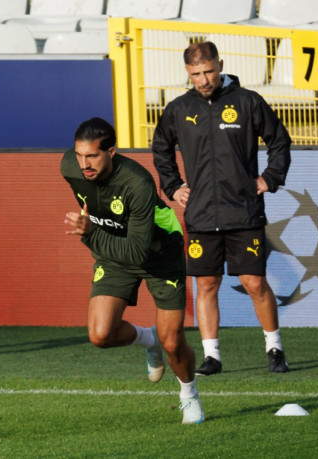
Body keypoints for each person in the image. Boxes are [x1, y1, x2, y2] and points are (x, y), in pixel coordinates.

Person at [152, 41, 292, 376]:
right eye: (196, 74)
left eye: (209, 71)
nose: (203, 80)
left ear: (221, 65)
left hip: (243, 212)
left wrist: (269, 178)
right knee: (206, 285)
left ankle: (275, 348)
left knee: (254, 282)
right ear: (188, 73)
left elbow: (279, 140)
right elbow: (160, 148)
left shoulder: (247, 102)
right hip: (201, 215)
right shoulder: (178, 108)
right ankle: (212, 356)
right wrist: (172, 186)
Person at [62, 117, 204, 424]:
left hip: (159, 251)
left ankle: (189, 395)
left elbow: (137, 251)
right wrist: (96, 232)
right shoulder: (69, 167)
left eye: (92, 156)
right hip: (113, 250)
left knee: (173, 341)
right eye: (79, 155)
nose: (83, 164)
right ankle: (147, 340)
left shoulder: (137, 183)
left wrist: (90, 233)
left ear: (111, 151)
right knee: (100, 334)